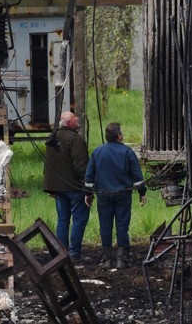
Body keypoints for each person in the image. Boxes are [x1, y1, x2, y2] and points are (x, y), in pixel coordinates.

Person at [84, 121, 147, 268]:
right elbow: (137, 176)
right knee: (122, 226)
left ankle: (106, 259)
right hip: (123, 196)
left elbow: (89, 177)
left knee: (105, 226)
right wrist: (142, 193)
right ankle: (122, 260)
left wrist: (88, 194)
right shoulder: (127, 152)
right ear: (119, 136)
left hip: (103, 196)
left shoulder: (97, 152)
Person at [43, 110, 90, 263]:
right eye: (74, 117)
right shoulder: (75, 139)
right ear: (70, 123)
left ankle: (61, 253)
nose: (77, 118)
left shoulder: (52, 138)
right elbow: (81, 166)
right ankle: (74, 253)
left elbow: (48, 164)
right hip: (75, 188)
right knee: (79, 219)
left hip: (58, 188)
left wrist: (51, 185)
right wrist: (88, 187)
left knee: (62, 220)